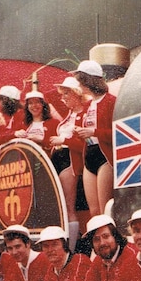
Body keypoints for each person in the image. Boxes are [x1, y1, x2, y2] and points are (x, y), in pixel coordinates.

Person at [48, 76, 90, 250]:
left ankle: (71, 248)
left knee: (68, 205)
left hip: (71, 160)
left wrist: (62, 140)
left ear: (76, 93)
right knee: (62, 206)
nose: (62, 97)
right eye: (61, 94)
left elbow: (84, 144)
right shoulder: (69, 115)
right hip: (59, 158)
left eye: (66, 93)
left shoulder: (85, 114)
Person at [74, 60, 115, 217]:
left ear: (88, 81)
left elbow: (117, 132)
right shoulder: (87, 105)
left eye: (80, 82)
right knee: (94, 211)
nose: (79, 86)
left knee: (105, 209)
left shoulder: (110, 101)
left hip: (104, 155)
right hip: (89, 155)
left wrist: (93, 132)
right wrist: (81, 133)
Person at [14, 90, 60, 155]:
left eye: (37, 102)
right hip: (26, 161)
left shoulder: (54, 123)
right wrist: (15, 133)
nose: (34, 106)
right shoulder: (22, 124)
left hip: (47, 162)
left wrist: (41, 140)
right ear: (27, 107)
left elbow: (59, 147)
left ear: (43, 105)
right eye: (30, 103)